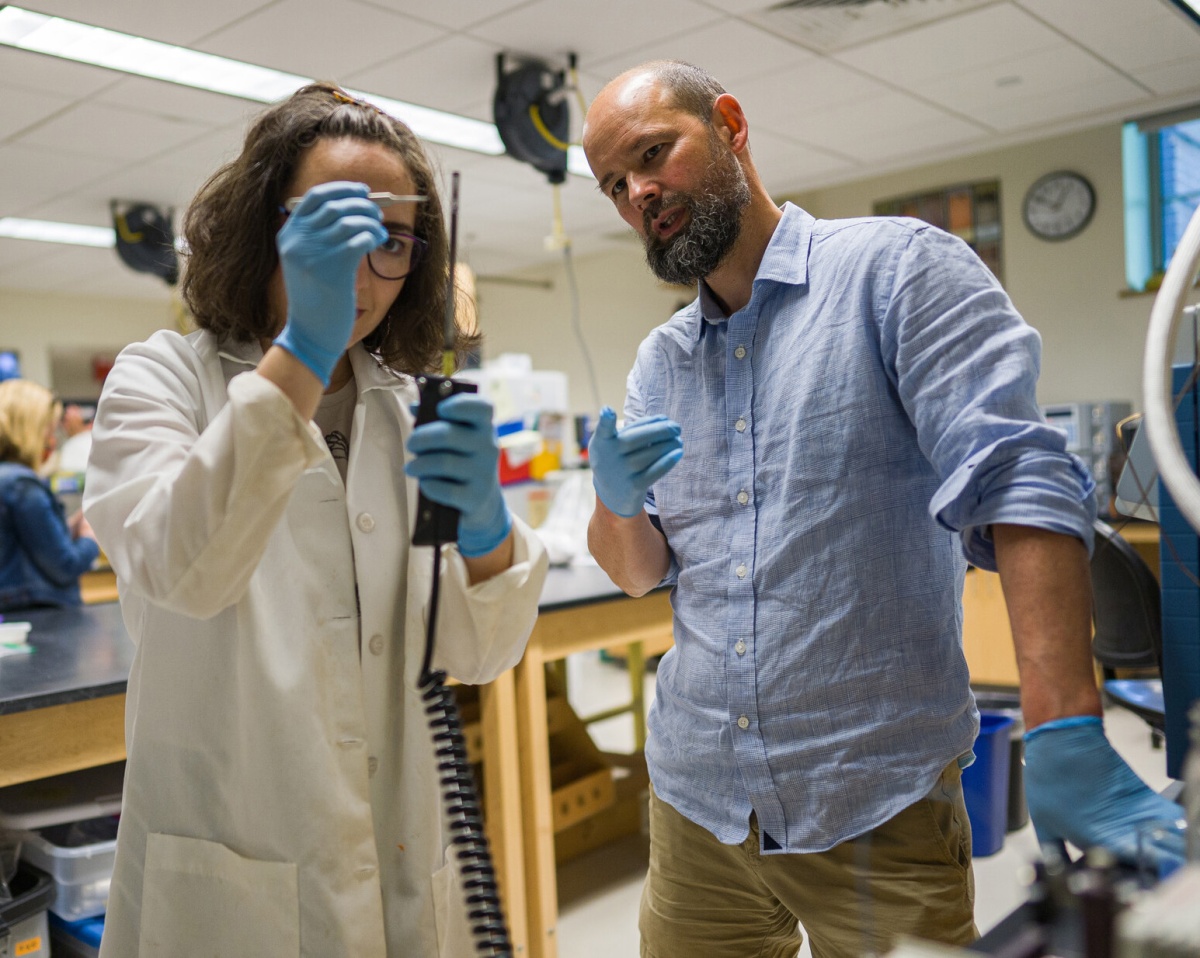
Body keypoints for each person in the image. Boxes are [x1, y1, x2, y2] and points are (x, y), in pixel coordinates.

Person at [580, 60, 1182, 958]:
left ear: (731, 125)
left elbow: (1019, 473)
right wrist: (613, 501)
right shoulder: (659, 364)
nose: (640, 193)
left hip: (874, 800)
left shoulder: (896, 271)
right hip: (695, 803)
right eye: (614, 185)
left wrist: (1063, 723)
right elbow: (637, 572)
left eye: (654, 153)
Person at [83, 82, 548, 958]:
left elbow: (480, 653)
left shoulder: (412, 411)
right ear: (270, 229)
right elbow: (184, 570)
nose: (362, 271)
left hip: (405, 857)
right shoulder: (163, 380)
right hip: (232, 877)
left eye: (391, 242)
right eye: (335, 231)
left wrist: (485, 524)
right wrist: (302, 346)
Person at [0, 379, 99, 611]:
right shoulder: (21, 486)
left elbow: (23, 545)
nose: (52, 441)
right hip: (39, 613)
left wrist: (67, 527)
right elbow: (65, 566)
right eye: (49, 430)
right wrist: (89, 537)